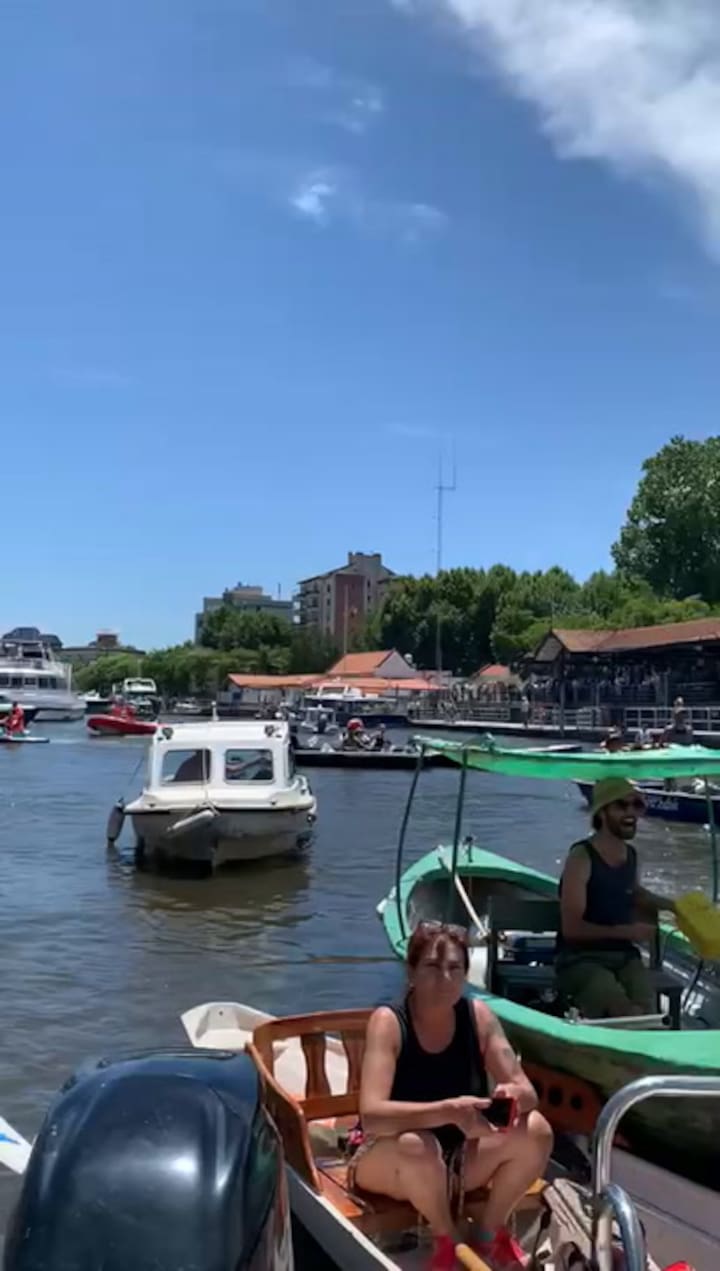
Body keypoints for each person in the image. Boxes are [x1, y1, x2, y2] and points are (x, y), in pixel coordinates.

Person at [353, 922, 553, 1270]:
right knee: (417, 1145)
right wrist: (447, 1111)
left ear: (464, 974)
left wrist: (512, 1094)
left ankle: (489, 1235)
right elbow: (372, 1117)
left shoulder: (478, 1017)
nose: (444, 979)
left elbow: (529, 1094)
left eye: (454, 969)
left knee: (537, 1130)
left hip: (455, 1158)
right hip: (387, 1157)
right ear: (411, 971)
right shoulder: (388, 1022)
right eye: (432, 967)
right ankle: (448, 1240)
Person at [556, 778, 677, 1018]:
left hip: (624, 958)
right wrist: (628, 932)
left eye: (637, 805)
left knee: (648, 1013)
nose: (631, 812)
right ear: (602, 812)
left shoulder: (630, 855)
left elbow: (635, 892)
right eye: (621, 805)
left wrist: (676, 907)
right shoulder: (581, 857)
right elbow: (572, 929)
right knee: (624, 1011)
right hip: (580, 959)